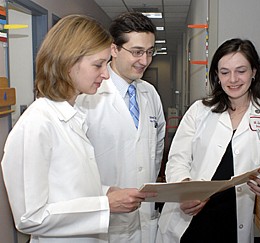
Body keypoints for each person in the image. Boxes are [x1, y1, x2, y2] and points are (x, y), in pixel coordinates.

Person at [1, 14, 155, 243]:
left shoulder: (72, 117)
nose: (105, 74)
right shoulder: (37, 123)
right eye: (98, 65)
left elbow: (67, 188)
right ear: (68, 63)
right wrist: (105, 205)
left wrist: (105, 192)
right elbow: (29, 217)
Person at [156, 38, 260, 243]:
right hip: (192, 217)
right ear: (217, 75)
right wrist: (184, 190)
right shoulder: (199, 110)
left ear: (254, 72)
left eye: (241, 70)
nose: (233, 79)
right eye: (224, 72)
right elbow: (178, 159)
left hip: (236, 218)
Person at [76, 12, 166, 243]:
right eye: (136, 52)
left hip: (144, 217)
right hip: (104, 221)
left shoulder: (150, 94)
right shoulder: (88, 96)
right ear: (114, 49)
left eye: (149, 52)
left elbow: (156, 152)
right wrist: (105, 195)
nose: (145, 61)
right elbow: (74, 167)